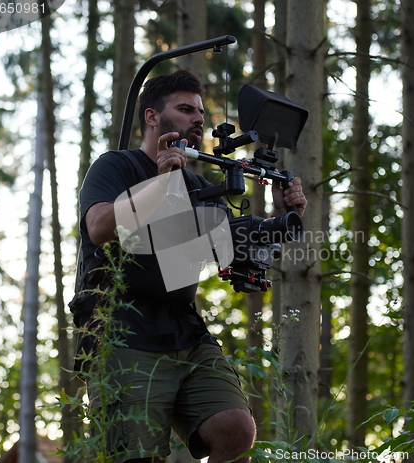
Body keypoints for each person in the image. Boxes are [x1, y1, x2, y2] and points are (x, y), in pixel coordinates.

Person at [74, 70, 308, 463]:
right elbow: (98, 227)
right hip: (121, 332)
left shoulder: (201, 187)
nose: (197, 118)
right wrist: (161, 185)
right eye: (185, 109)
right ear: (151, 117)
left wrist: (282, 220)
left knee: (235, 429)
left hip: (184, 330)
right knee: (137, 456)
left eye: (200, 111)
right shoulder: (117, 166)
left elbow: (234, 249)